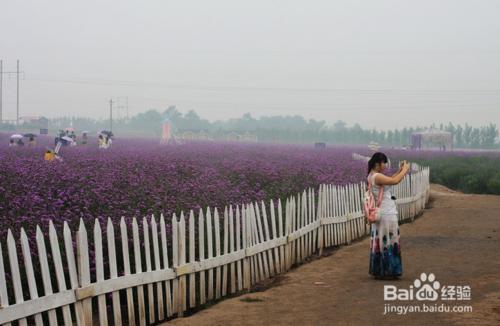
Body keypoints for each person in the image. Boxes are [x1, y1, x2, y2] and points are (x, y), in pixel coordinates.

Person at [367, 152, 410, 280]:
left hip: (381, 213)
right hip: (386, 213)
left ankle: (380, 269)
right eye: (384, 162)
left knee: (381, 241)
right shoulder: (377, 176)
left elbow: (391, 180)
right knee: (389, 241)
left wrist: (401, 170)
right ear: (377, 164)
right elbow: (395, 181)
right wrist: (406, 169)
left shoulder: (372, 176)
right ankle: (389, 269)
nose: (385, 165)